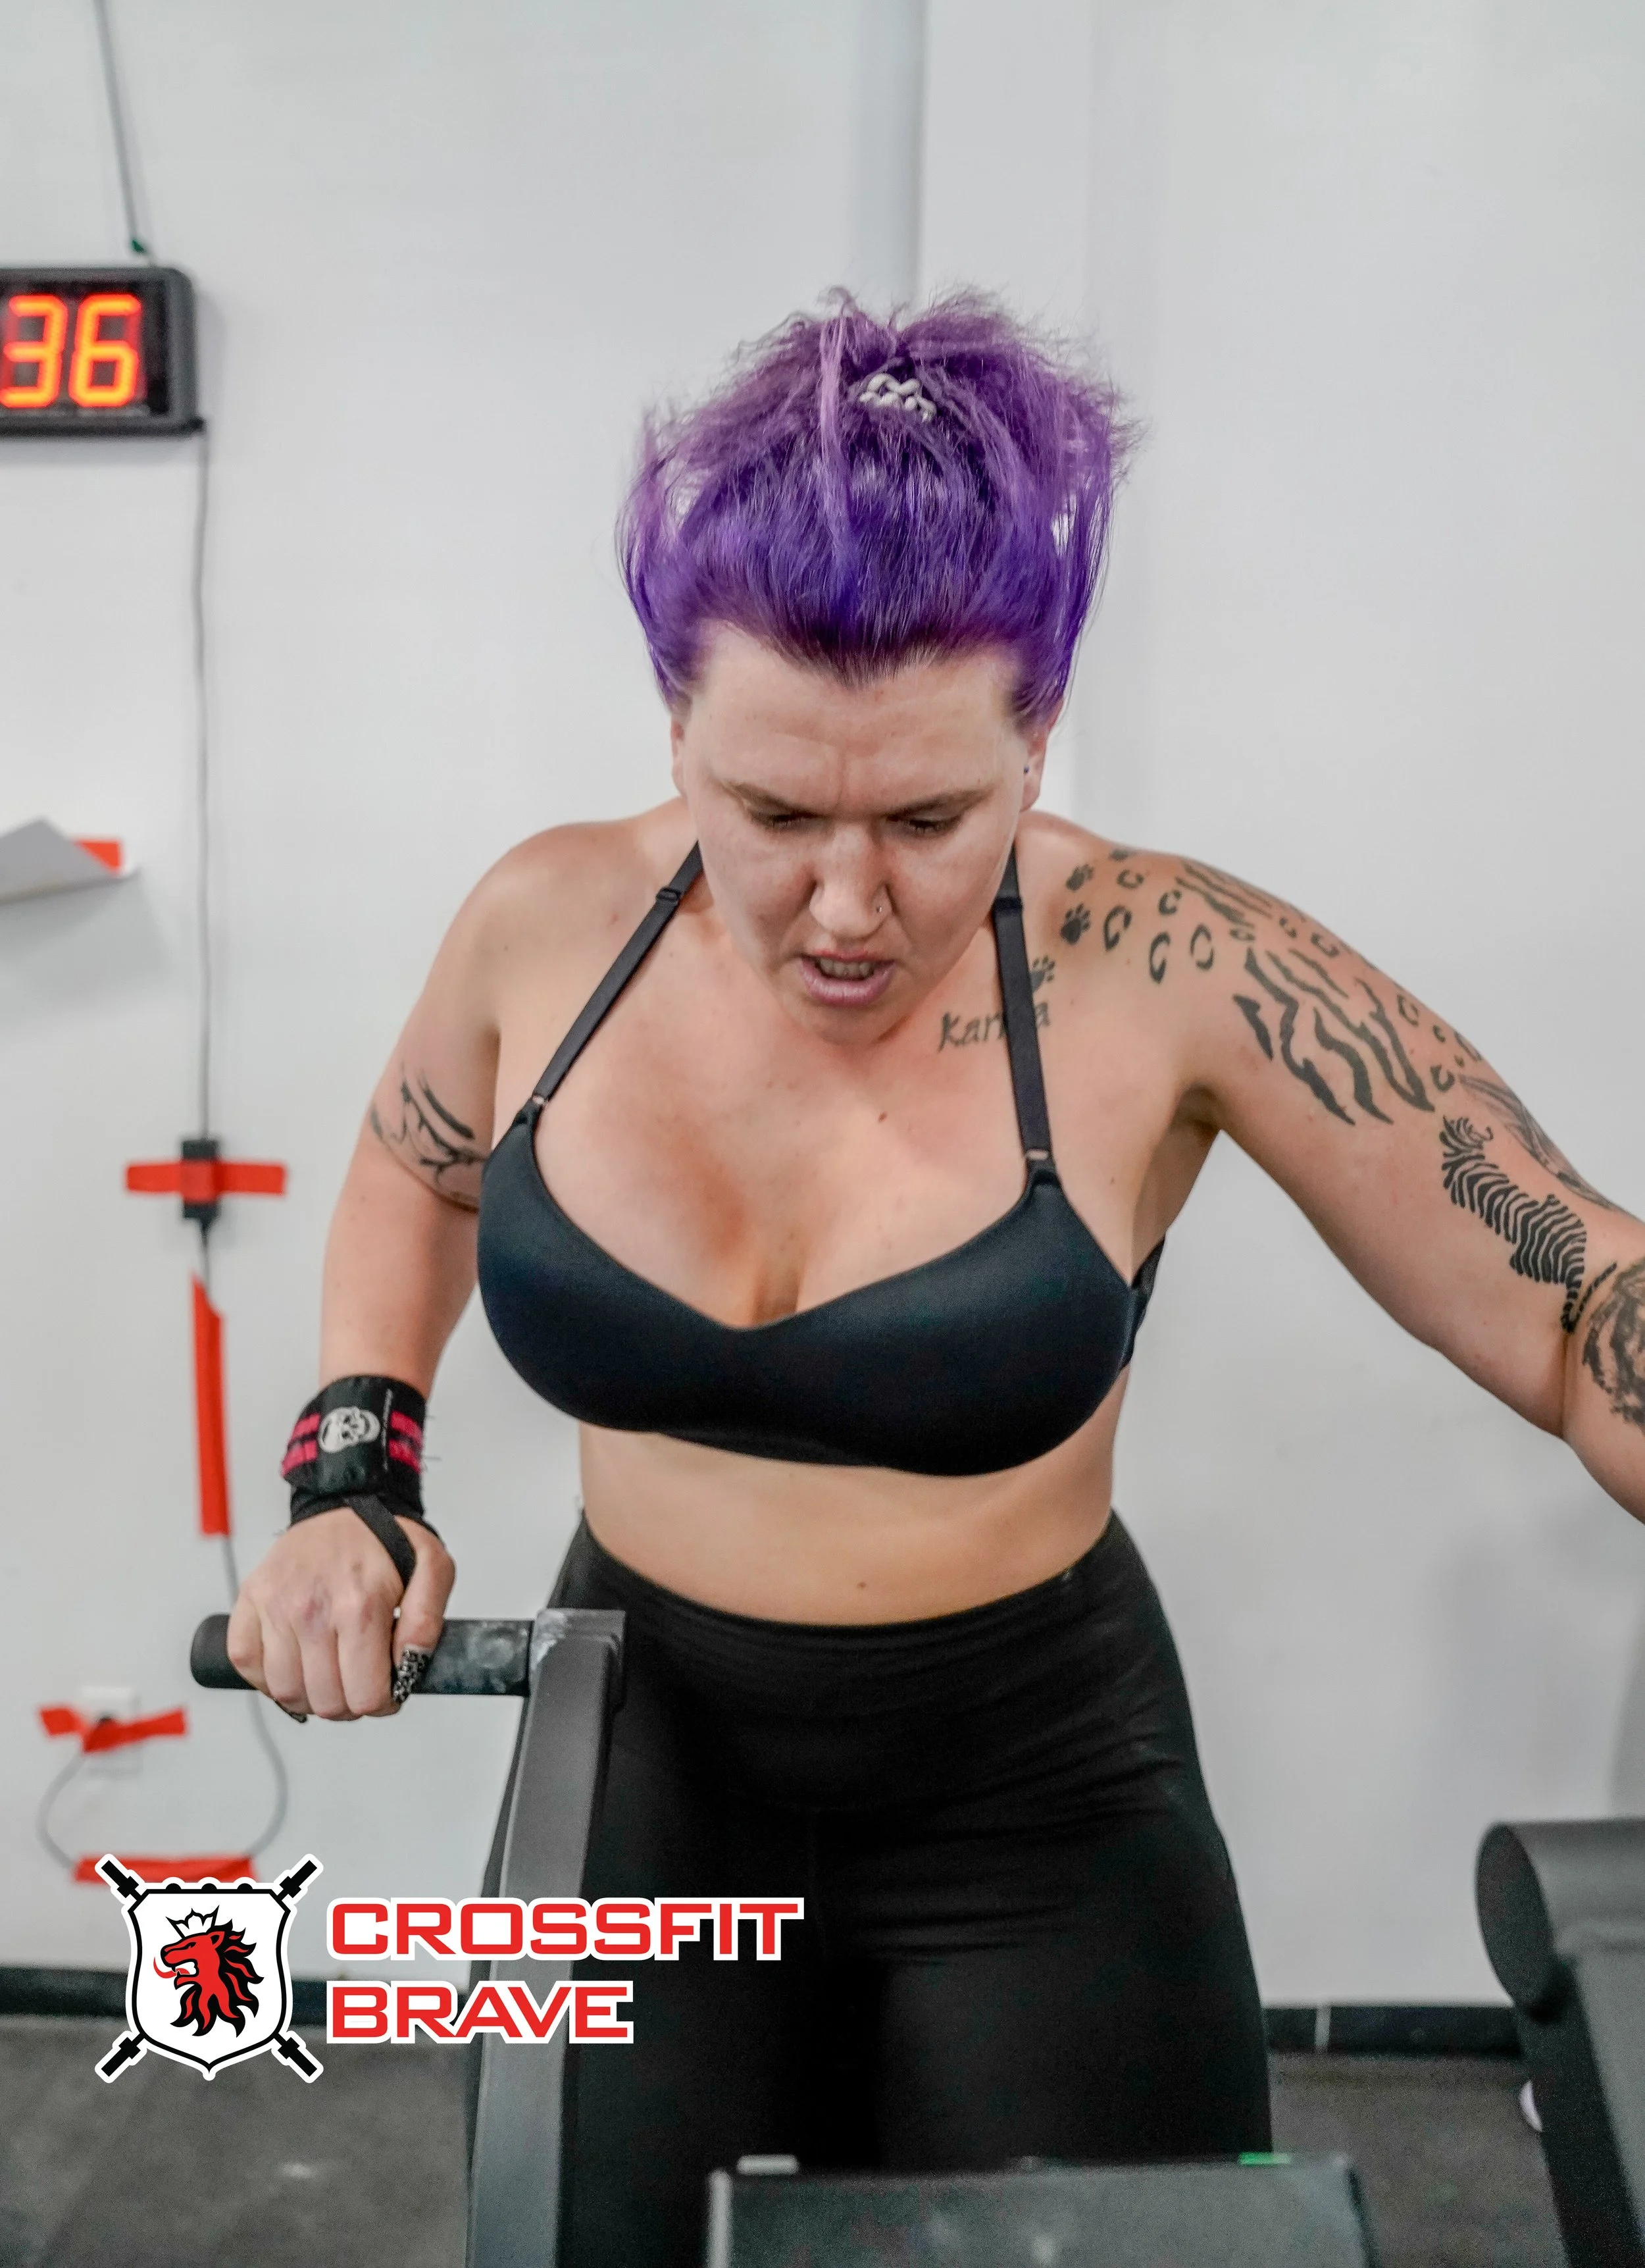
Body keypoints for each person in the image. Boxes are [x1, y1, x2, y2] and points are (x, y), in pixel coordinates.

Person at [228, 294, 1645, 2268]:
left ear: (1034, 742)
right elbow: (415, 1167)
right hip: (645, 1756)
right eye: (770, 814)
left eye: (925, 820)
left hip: (1036, 1793)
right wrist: (350, 1478)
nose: (843, 904)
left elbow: (1578, 1306)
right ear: (675, 729)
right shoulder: (545, 924)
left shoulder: (1169, 965)